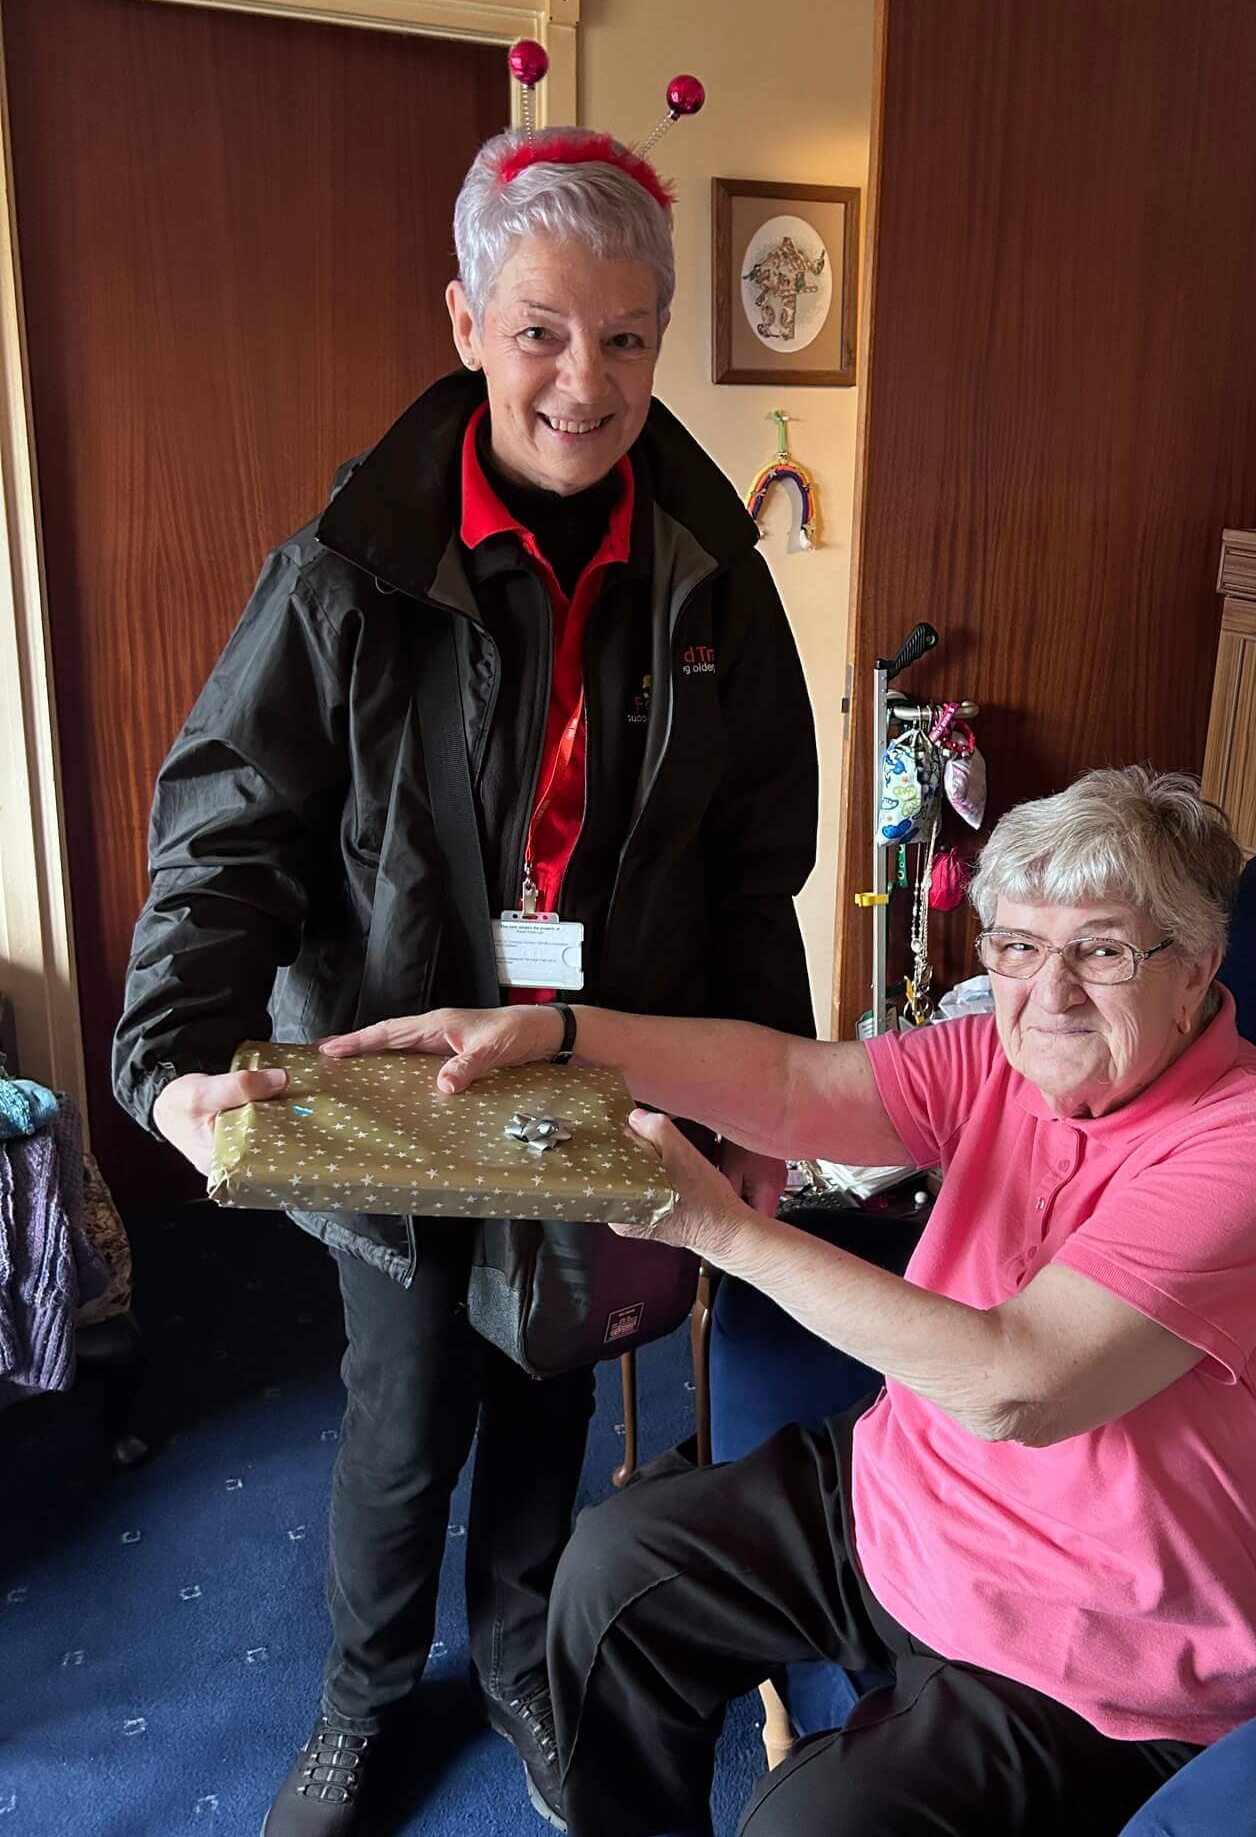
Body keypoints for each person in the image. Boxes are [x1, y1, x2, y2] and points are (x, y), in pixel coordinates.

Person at [112, 98, 818, 1836]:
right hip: (392, 1069)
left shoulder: (716, 577)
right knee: (408, 1395)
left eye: (629, 338)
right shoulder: (345, 572)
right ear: (465, 323)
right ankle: (362, 1697)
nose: (585, 379)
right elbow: (230, 831)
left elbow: (754, 865)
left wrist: (760, 1091)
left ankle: (518, 1661)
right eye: (542, 332)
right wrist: (169, 1054)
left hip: (597, 1057)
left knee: (547, 1370)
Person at [327, 766, 1256, 1837]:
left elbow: (1018, 1384)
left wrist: (720, 1225)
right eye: (1017, 945)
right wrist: (567, 1034)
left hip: (1117, 1648)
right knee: (617, 1576)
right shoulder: (1003, 1059)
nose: (1050, 992)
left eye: (1101, 948)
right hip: (921, 1506)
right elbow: (791, 1087)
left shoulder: (1252, 1148)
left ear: (1196, 968)